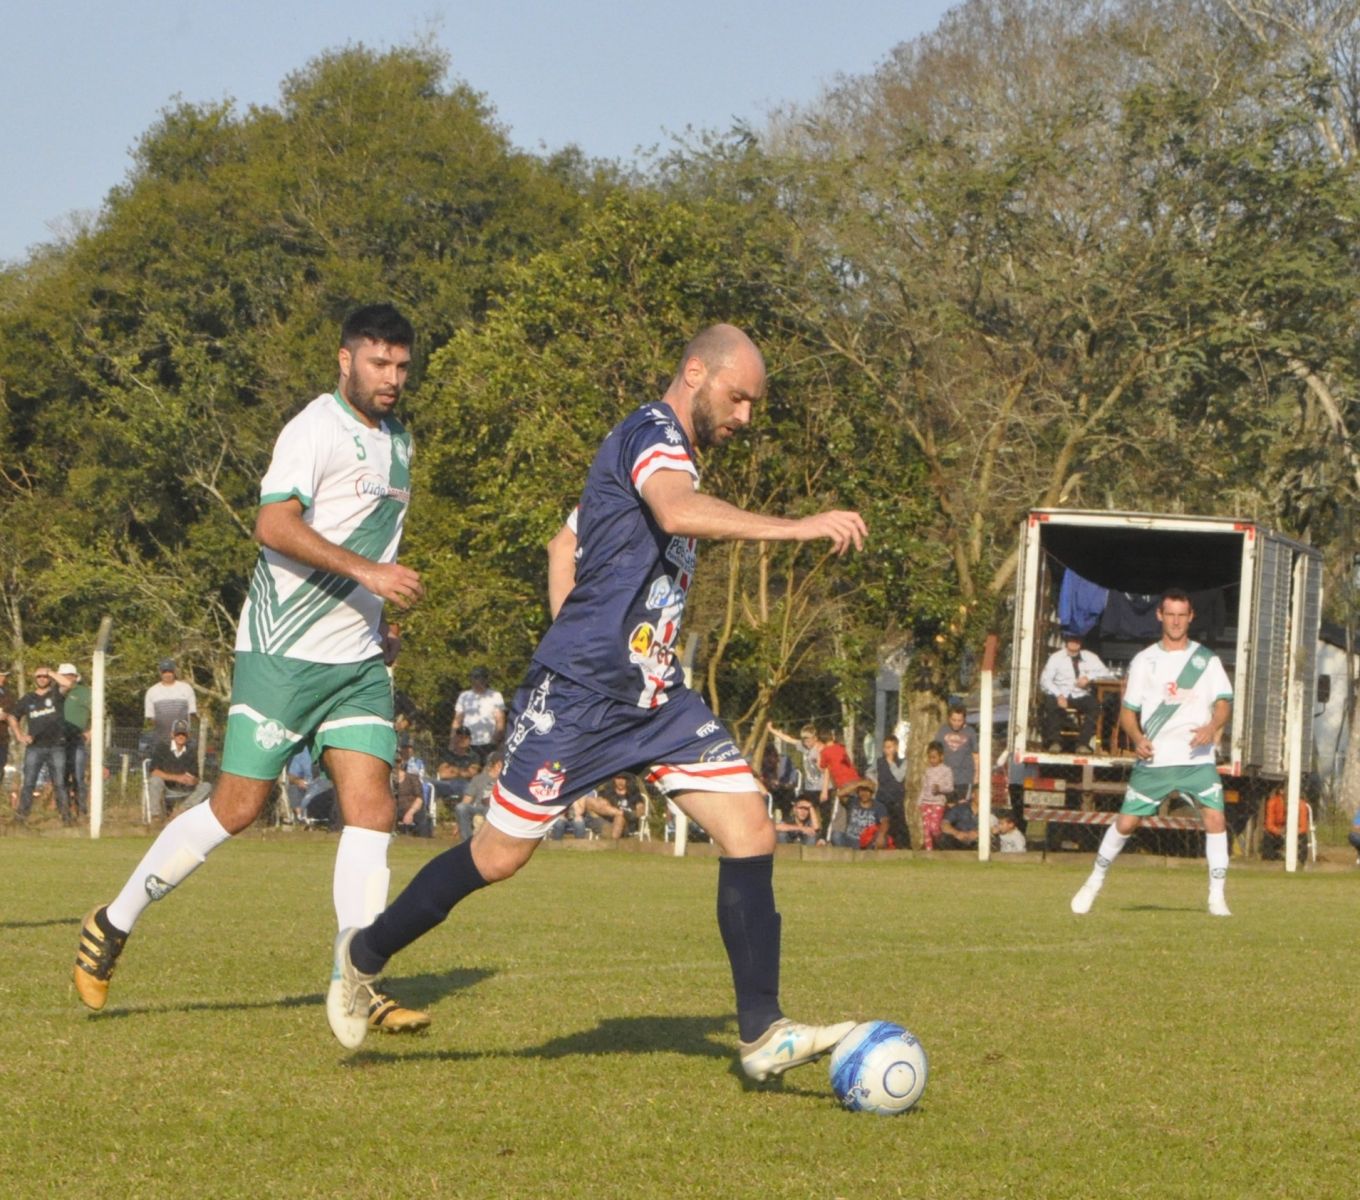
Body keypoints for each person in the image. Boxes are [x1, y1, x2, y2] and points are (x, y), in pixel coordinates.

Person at [326, 323, 868, 1080]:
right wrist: (802, 528)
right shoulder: (653, 436)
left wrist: (583, 625)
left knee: (749, 829)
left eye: (753, 403)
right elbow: (678, 511)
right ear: (694, 373)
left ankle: (761, 1032)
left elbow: (563, 541)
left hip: (655, 699)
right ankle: (362, 956)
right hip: (577, 703)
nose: (746, 416)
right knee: (498, 855)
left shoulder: (653, 454)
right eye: (738, 397)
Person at [73, 304, 430, 1037]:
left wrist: (378, 611)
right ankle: (112, 922)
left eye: (401, 365)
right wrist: (369, 570)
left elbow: (372, 543)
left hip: (357, 662)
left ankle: (355, 977)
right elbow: (274, 524)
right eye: (378, 364)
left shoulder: (399, 440)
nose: (392, 378)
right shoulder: (313, 428)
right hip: (282, 652)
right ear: (344, 360)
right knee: (237, 808)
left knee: (374, 810)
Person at [1070, 589, 1234, 917]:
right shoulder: (1144, 660)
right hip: (1156, 759)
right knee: (1127, 823)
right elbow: (1128, 713)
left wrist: (1211, 726)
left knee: (1215, 819)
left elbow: (1223, 704)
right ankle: (1094, 881)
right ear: (1159, 615)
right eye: (1170, 614)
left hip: (1195, 759)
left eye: (1181, 615)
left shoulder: (1207, 660)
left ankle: (1216, 897)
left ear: (1191, 618)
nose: (1175, 621)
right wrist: (1137, 737)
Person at [7, 667, 72, 823]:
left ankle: (66, 818)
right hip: (35, 747)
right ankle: (21, 817)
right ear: (34, 679)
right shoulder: (28, 698)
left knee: (59, 783)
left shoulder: (55, 694)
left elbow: (68, 683)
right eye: (39, 676)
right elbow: (12, 716)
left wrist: (51, 672)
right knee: (29, 782)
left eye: (45, 676)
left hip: (56, 745)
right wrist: (19, 735)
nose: (42, 679)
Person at [1038, 632, 1109, 753]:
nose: (1074, 643)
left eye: (1077, 640)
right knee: (1050, 703)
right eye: (1071, 640)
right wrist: (1058, 695)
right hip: (1060, 693)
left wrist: (1088, 678)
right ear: (1066, 641)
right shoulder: (1056, 657)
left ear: (1081, 643)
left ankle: (1082, 743)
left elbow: (1106, 673)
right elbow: (1045, 680)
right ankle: (1055, 742)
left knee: (1095, 706)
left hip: (1080, 694)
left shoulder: (1090, 657)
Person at [146, 720, 214, 814]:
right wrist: (177, 778)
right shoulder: (162, 748)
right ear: (172, 735)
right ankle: (155, 816)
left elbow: (196, 778)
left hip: (185, 789)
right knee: (154, 781)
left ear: (188, 736)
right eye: (178, 734)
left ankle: (180, 811)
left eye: (184, 734)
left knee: (207, 786)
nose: (181, 736)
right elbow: (154, 772)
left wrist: (192, 780)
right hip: (167, 788)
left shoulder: (191, 752)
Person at [450, 667, 506, 765]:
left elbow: (500, 721)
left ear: (486, 679)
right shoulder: (464, 696)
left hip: (488, 742)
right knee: (470, 771)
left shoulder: (495, 696)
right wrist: (453, 740)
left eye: (480, 677)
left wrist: (495, 740)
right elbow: (457, 720)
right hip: (468, 743)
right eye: (474, 677)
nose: (477, 681)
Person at [766, 722, 825, 814]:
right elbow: (788, 739)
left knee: (823, 813)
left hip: (822, 786)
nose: (806, 743)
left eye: (808, 741)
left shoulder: (820, 749)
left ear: (815, 738)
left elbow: (825, 770)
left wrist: (817, 763)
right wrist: (772, 730)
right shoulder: (804, 747)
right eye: (804, 741)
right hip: (810, 787)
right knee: (810, 811)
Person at [57, 662, 92, 817]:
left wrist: (91, 731)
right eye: (63, 676)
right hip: (57, 741)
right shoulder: (53, 693)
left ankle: (82, 810)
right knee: (60, 777)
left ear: (75, 677)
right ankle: (64, 812)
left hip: (77, 739)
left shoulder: (85, 692)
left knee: (78, 776)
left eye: (69, 675)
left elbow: (99, 713)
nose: (66, 679)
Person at [144, 659, 197, 748]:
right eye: (164, 671)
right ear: (160, 673)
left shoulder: (186, 688)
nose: (167, 674)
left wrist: (188, 734)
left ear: (174, 672)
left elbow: (192, 715)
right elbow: (151, 719)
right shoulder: (152, 691)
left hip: (182, 743)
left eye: (170, 671)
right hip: (160, 743)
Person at [869, 734, 910, 849]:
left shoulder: (903, 762)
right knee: (882, 823)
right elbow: (869, 772)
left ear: (896, 748)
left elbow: (899, 777)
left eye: (890, 747)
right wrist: (875, 781)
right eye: (885, 747)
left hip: (896, 799)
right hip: (882, 798)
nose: (887, 750)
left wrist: (891, 762)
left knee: (899, 824)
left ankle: (903, 846)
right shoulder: (880, 761)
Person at [935, 704, 978, 800]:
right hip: (946, 778)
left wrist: (976, 775)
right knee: (948, 808)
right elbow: (937, 753)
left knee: (962, 806)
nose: (956, 723)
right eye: (953, 720)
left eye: (959, 720)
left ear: (964, 719)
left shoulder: (970, 732)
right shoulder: (942, 731)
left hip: (965, 778)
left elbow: (975, 755)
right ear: (949, 718)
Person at [455, 754, 501, 843]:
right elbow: (467, 799)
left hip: (494, 809)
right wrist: (457, 824)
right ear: (495, 764)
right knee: (461, 807)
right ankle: (467, 841)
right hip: (478, 807)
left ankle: (486, 841)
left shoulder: (505, 780)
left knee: (489, 810)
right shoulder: (478, 779)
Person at [829, 781, 889, 849]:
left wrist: (881, 834)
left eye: (867, 791)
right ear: (858, 792)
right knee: (835, 835)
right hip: (849, 839)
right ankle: (845, 855)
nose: (864, 794)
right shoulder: (852, 802)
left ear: (872, 793)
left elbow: (885, 822)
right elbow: (839, 794)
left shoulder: (879, 806)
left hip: (867, 841)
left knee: (883, 839)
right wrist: (858, 784)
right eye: (862, 791)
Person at [917, 741, 953, 851]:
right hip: (926, 803)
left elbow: (950, 787)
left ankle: (941, 843)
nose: (932, 760)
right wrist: (920, 801)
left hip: (938, 803)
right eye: (930, 757)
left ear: (941, 756)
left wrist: (940, 788)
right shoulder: (927, 771)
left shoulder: (947, 770)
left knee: (934, 827)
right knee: (926, 829)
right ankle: (929, 852)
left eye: (934, 757)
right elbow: (924, 787)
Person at [1260, 788, 1308, 863]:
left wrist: (1293, 832)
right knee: (1267, 836)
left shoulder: (1301, 805)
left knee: (1303, 837)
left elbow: (1303, 827)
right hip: (1278, 832)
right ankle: (1271, 859)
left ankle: (1300, 862)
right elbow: (1269, 825)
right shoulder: (1273, 803)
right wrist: (1280, 831)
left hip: (1296, 833)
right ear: (1281, 791)